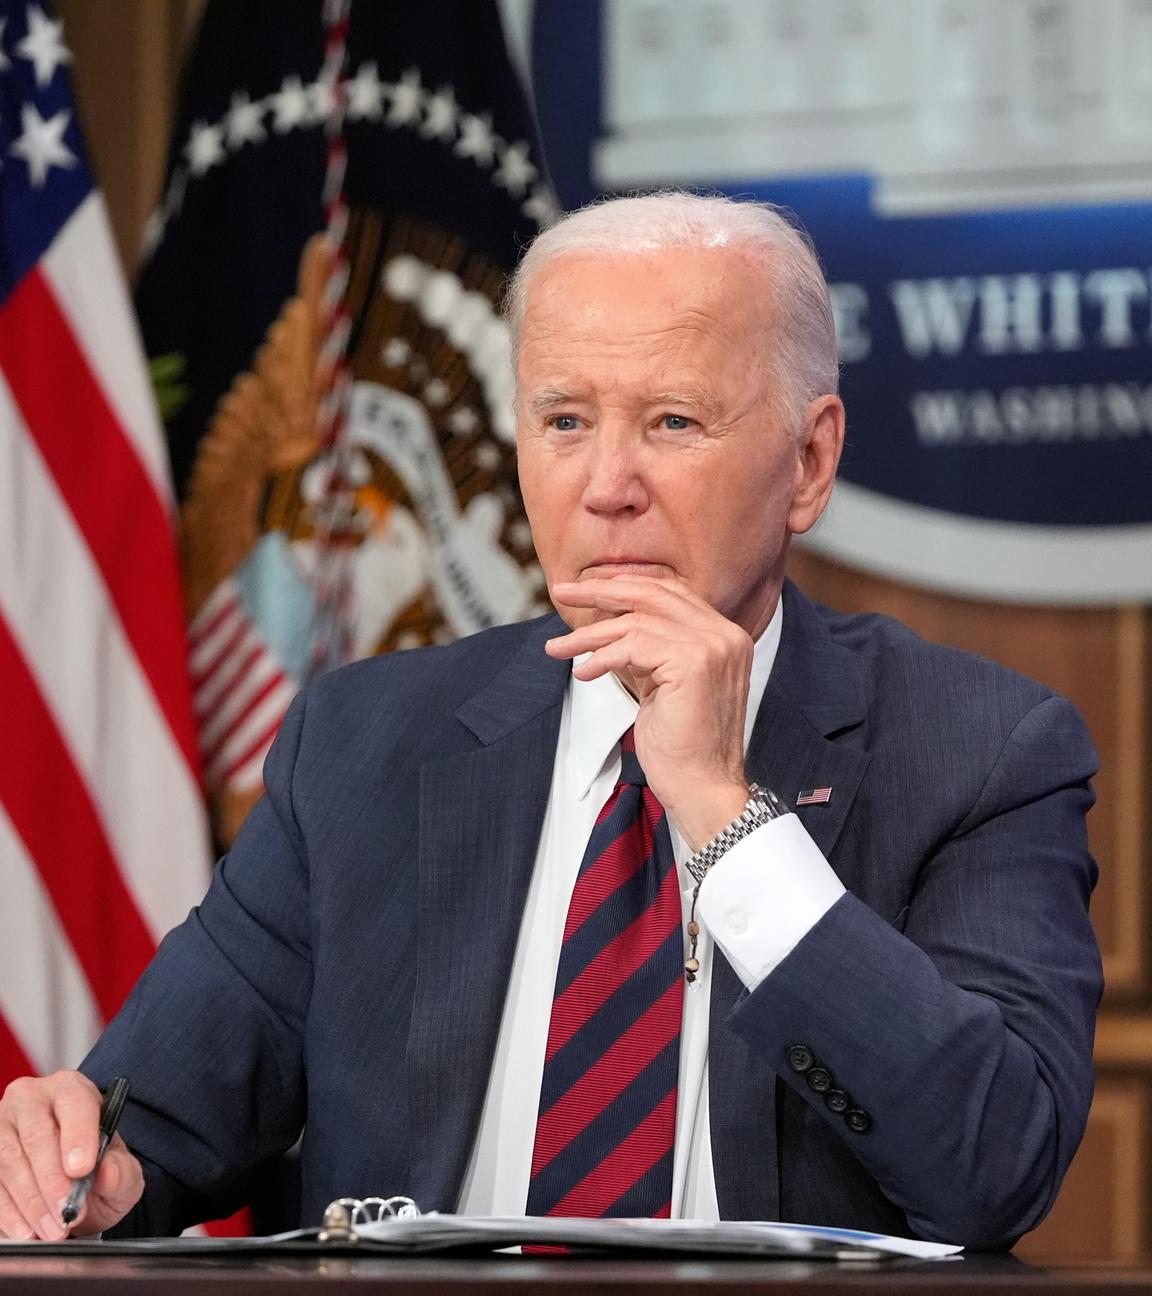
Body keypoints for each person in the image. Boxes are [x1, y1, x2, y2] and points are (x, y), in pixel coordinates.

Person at [0, 192, 1101, 1249]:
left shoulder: (982, 751)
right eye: (564, 420)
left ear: (808, 464)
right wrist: (84, 1170)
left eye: (673, 421)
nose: (606, 485)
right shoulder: (362, 745)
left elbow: (992, 1167)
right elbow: (153, 1132)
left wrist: (725, 815)